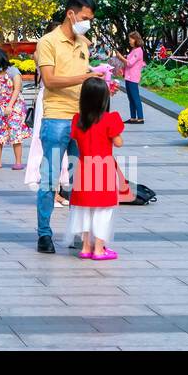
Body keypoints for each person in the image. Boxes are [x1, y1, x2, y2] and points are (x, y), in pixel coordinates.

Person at [34, 0, 98, 253]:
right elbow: (49, 80)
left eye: (90, 20)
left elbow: (84, 76)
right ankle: (44, 234)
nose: (87, 24)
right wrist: (85, 77)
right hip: (57, 117)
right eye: (85, 18)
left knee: (80, 180)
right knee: (50, 179)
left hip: (82, 118)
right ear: (71, 14)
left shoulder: (83, 43)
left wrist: (98, 82)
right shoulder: (47, 42)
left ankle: (75, 234)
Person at [67, 77, 125, 260]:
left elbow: (77, 139)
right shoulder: (110, 119)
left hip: (84, 167)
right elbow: (119, 143)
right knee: (103, 209)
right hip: (103, 168)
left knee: (84, 208)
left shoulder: (78, 120)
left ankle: (85, 247)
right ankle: (99, 249)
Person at [0, 48, 29, 170]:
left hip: (15, 106)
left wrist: (10, 106)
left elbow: (17, 89)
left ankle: (18, 162)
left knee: (15, 133)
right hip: (1, 106)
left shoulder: (13, 71)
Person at [117, 32, 146, 124]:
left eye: (131, 39)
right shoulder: (133, 50)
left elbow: (130, 63)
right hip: (128, 77)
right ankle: (133, 117)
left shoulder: (138, 51)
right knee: (130, 97)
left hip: (133, 77)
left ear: (136, 39)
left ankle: (140, 118)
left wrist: (121, 57)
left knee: (135, 97)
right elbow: (128, 63)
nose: (129, 41)